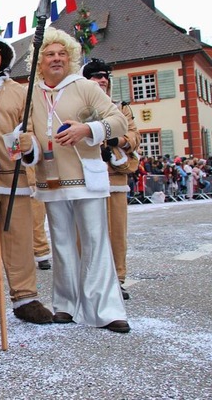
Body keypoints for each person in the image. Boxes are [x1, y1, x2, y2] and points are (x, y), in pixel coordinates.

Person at [22, 27, 130, 333]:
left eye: (61, 54)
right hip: (50, 180)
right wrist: (27, 146)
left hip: (86, 176)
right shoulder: (32, 93)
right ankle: (65, 305)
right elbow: (27, 131)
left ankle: (106, 310)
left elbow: (118, 120)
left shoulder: (84, 86)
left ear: (69, 59)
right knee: (62, 244)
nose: (56, 59)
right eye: (49, 54)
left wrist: (87, 130)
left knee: (95, 242)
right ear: (38, 61)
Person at [0, 31, 53, 325]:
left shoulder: (19, 91)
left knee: (19, 241)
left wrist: (26, 145)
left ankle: (25, 297)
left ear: (3, 58)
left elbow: (29, 128)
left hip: (13, 176)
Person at [81, 58, 140, 301]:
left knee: (116, 232)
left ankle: (117, 279)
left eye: (105, 76)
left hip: (114, 178)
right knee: (86, 233)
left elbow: (134, 134)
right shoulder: (78, 108)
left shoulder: (120, 107)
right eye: (96, 76)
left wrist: (115, 141)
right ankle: (89, 280)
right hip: (84, 178)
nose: (102, 80)